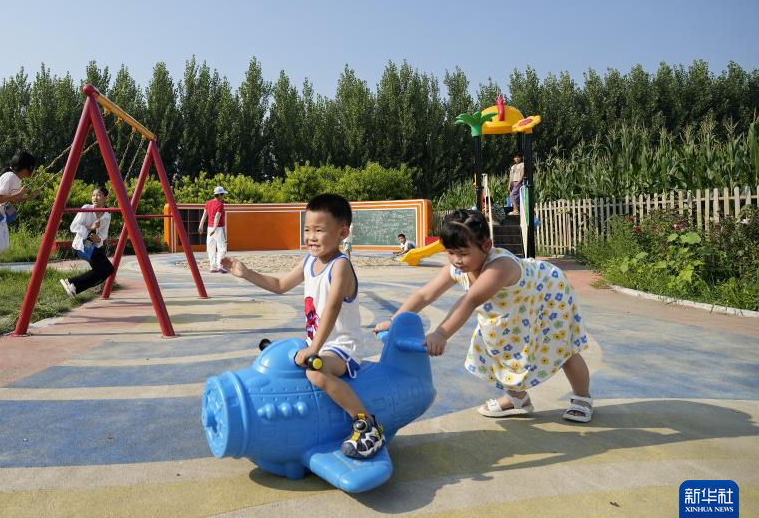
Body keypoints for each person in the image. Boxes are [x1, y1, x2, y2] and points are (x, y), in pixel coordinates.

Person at [375, 209, 593, 423]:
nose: (457, 260)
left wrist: (441, 333)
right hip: (513, 307)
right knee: (499, 345)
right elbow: (425, 295)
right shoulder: (456, 267)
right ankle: (518, 399)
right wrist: (395, 321)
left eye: (463, 253)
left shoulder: (500, 266)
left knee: (562, 348)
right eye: (451, 252)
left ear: (486, 246)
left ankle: (582, 398)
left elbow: (470, 300)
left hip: (546, 294)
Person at [222, 193, 385, 458]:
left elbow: (332, 308)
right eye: (307, 229)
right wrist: (247, 273)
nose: (311, 237)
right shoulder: (309, 261)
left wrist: (314, 350)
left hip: (343, 347)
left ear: (342, 232)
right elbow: (280, 285)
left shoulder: (340, 266)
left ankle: (367, 424)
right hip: (318, 344)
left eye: (319, 230)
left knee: (315, 373)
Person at [59, 186, 114, 298]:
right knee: (101, 269)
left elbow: (103, 235)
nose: (95, 198)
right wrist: (90, 227)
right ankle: (71, 281)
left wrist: (98, 238)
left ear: (105, 198)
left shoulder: (106, 216)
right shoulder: (86, 208)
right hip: (81, 244)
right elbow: (73, 227)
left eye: (98, 195)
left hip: (94, 244)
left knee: (109, 269)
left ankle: (84, 285)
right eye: (93, 195)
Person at [198, 186, 228, 273]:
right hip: (218, 228)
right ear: (219, 195)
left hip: (209, 228)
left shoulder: (208, 203)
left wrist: (200, 226)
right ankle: (220, 265)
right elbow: (217, 217)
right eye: (223, 194)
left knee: (211, 247)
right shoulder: (220, 205)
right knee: (222, 247)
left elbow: (204, 215)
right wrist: (215, 228)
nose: (223, 196)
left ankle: (213, 266)